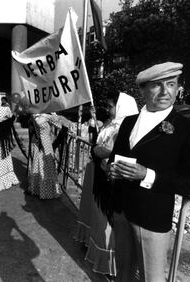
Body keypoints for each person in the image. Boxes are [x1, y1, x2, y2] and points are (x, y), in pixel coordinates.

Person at [108, 62, 190, 281]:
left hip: (152, 217)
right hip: (121, 210)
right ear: (143, 90)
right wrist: (112, 170)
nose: (165, 92)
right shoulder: (128, 122)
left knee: (151, 277)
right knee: (122, 272)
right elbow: (116, 158)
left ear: (178, 87)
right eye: (156, 85)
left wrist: (148, 175)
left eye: (171, 84)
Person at [74, 91, 138, 277]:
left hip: (110, 178)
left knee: (106, 220)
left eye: (111, 106)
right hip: (98, 172)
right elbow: (100, 144)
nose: (109, 110)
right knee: (95, 213)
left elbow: (109, 150)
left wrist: (96, 150)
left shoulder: (126, 127)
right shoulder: (113, 124)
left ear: (121, 107)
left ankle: (110, 263)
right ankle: (92, 246)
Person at [26, 113, 63, 199]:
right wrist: (50, 116)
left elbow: (60, 124)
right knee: (45, 165)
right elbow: (60, 125)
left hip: (40, 143)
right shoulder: (40, 117)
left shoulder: (36, 116)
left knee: (40, 165)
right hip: (43, 143)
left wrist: (51, 116)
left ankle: (36, 189)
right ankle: (45, 191)